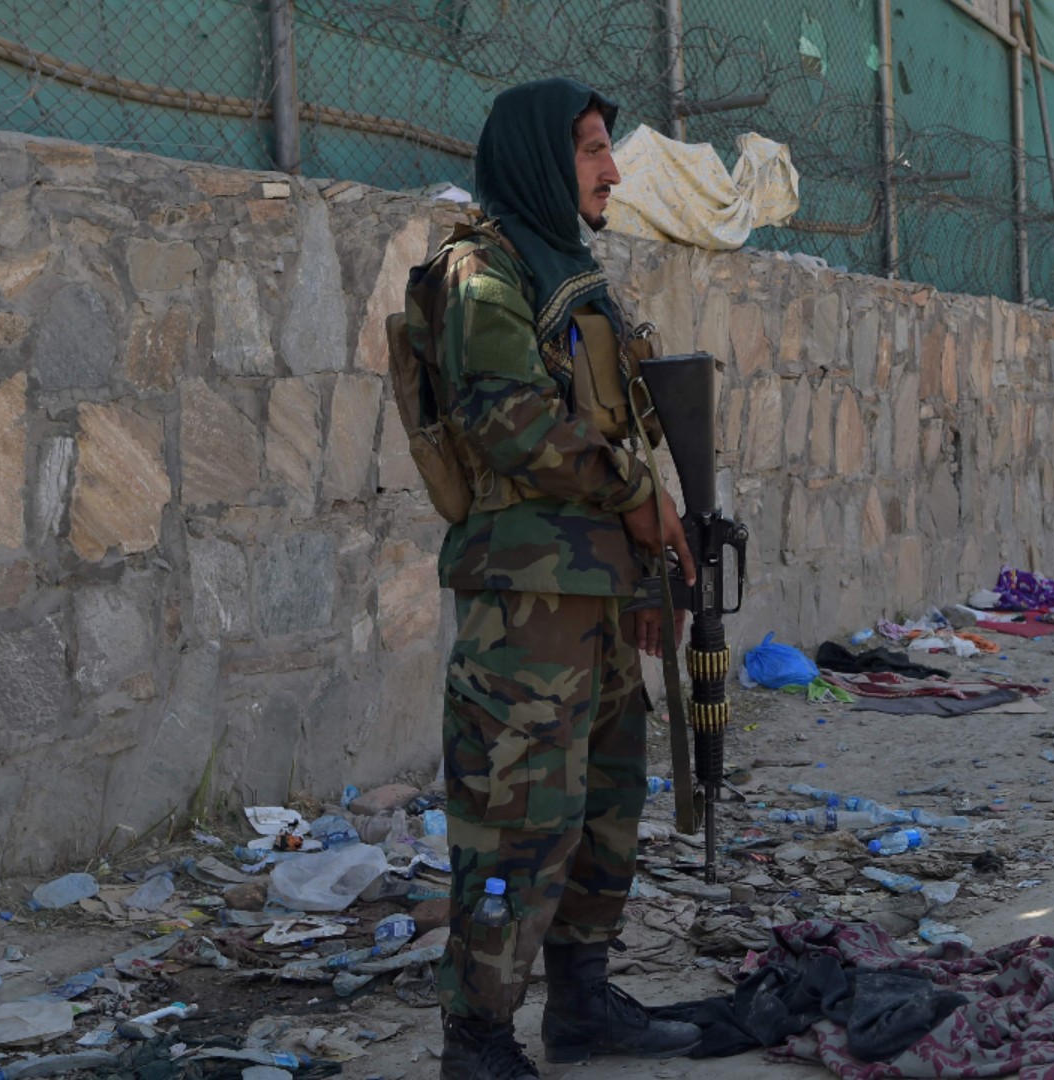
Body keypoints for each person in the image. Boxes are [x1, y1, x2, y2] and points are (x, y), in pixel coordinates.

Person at [427, 77, 701, 1079]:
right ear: (542, 158)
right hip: (528, 607)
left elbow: (617, 425)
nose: (612, 170)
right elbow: (514, 425)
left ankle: (581, 1006)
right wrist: (637, 498)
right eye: (591, 149)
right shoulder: (481, 274)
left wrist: (649, 568)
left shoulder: (569, 274)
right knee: (519, 824)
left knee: (605, 808)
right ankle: (477, 1040)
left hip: (598, 596)